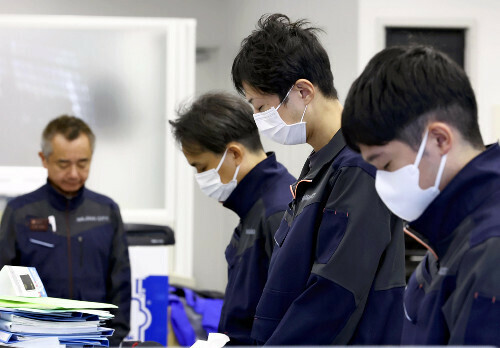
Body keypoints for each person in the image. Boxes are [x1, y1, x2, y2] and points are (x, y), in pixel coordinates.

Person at [231, 14, 406, 345]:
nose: (259, 119)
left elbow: (335, 294)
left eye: (262, 106)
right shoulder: (321, 165)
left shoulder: (358, 166)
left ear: (303, 91)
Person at [342, 44, 500, 345]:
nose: (381, 182)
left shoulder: (490, 248)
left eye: (386, 163)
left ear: (439, 139)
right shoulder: (448, 232)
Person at [169, 92, 295, 345]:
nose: (201, 178)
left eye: (202, 167)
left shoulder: (279, 211)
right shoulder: (253, 209)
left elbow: (291, 321)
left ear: (235, 154)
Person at [0, 115, 131, 346]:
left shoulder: (107, 210)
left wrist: (113, 339)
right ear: (44, 159)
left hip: (94, 341)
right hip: (31, 342)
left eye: (82, 163)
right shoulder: (19, 212)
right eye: (63, 163)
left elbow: (120, 283)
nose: (73, 173)